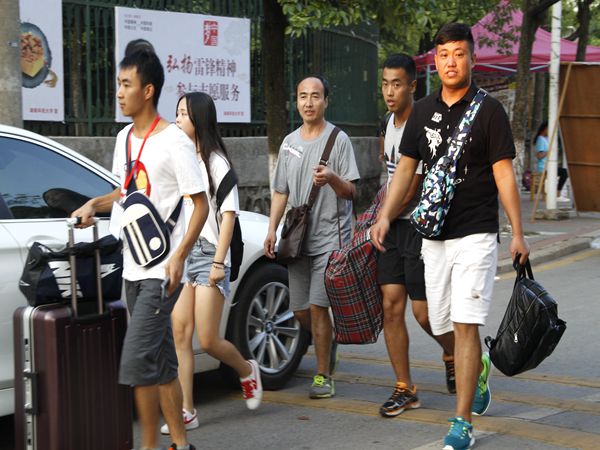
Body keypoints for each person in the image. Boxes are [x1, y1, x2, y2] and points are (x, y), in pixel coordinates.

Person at [371, 23, 530, 450]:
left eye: (459, 54)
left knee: (464, 323)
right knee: (436, 320)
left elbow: (504, 174)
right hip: (433, 235)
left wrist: (517, 232)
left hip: (476, 233)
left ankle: (461, 422)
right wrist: (385, 216)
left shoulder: (490, 111)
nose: (451, 62)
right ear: (436, 62)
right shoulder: (422, 111)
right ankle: (477, 367)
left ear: (472, 59)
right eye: (443, 55)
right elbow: (406, 168)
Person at [72, 49, 209, 450]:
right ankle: (181, 444)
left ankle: (147, 446)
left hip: (162, 272)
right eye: (118, 84)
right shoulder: (125, 139)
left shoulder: (174, 141)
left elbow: (200, 204)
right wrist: (93, 205)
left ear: (147, 91)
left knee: (135, 362)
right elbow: (125, 191)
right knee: (161, 363)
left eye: (126, 84)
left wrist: (180, 256)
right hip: (132, 265)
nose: (119, 92)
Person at [159, 92, 262, 436]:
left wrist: (219, 261)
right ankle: (187, 410)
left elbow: (228, 216)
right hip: (183, 251)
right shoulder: (180, 158)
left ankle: (246, 370)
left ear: (199, 119)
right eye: (176, 113)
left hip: (210, 254)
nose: (177, 120)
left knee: (208, 339)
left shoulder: (217, 163)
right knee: (180, 332)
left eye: (183, 114)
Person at [264, 75, 360, 399]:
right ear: (296, 101)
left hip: (330, 238)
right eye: (303, 96)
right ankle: (327, 341)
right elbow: (281, 191)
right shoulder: (289, 143)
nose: (308, 102)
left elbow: (352, 191)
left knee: (318, 307)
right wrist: (271, 229)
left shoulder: (339, 140)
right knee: (300, 310)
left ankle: (323, 376)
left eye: (315, 96)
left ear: (325, 101)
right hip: (296, 239)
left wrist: (332, 177)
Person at [376, 54, 456, 419]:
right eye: (385, 84)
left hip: (418, 227)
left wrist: (383, 217)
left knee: (425, 314)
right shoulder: (388, 122)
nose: (389, 92)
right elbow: (390, 174)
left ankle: (457, 352)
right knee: (391, 306)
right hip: (391, 225)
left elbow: (412, 186)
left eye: (397, 84)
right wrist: (382, 217)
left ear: (412, 85)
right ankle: (405, 387)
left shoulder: (424, 123)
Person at [533, 121, 569, 199]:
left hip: (549, 166)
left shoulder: (546, 138)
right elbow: (539, 156)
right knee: (564, 172)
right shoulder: (540, 139)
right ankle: (557, 193)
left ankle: (557, 193)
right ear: (545, 129)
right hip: (544, 167)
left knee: (564, 172)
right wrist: (550, 151)